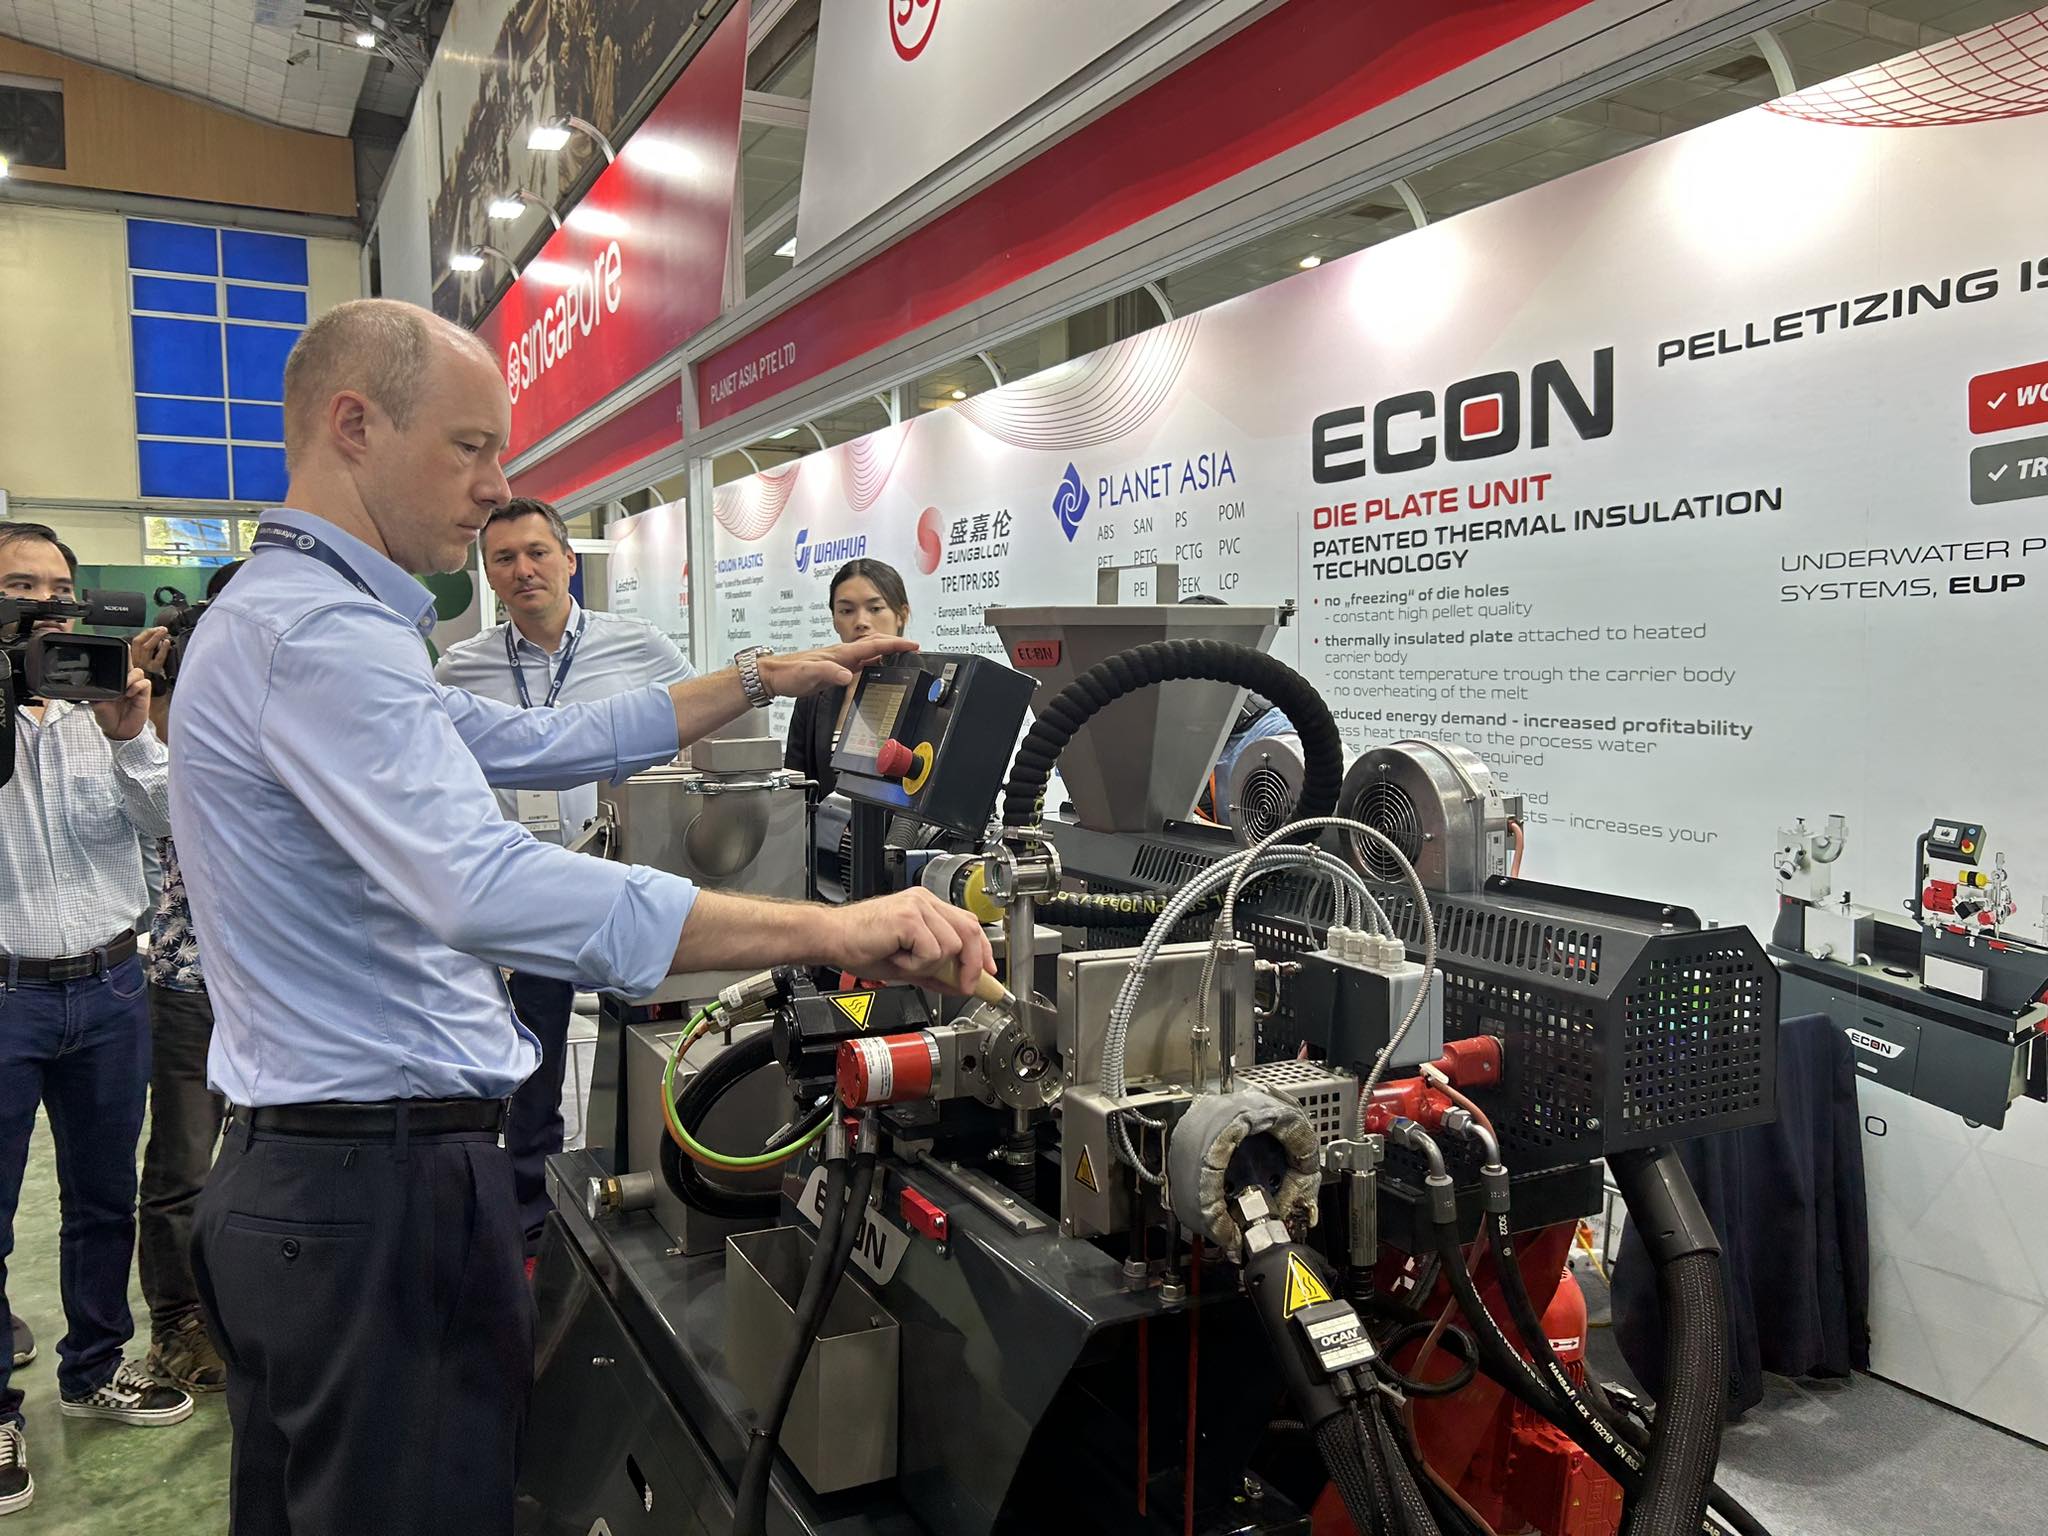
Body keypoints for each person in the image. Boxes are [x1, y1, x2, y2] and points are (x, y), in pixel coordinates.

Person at [168, 298, 993, 1536]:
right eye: (468, 447)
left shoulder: (298, 619)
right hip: (372, 1191)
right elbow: (487, 886)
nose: (492, 489)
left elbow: (547, 740)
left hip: (311, 1181)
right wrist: (834, 930)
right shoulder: (320, 636)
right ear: (353, 425)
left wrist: (762, 677)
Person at [434, 498, 692, 1258]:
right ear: (489, 575)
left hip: (624, 881)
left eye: (538, 552)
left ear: (570, 560)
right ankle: (531, 1226)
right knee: (532, 1070)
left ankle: (654, 1191)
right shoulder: (461, 669)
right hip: (527, 896)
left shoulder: (637, 646)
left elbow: (697, 731)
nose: (524, 571)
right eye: (504, 559)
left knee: (648, 1048)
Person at [0, 523, 194, 1520]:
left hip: (114, 984)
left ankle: (93, 1367)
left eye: (56, 587)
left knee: (104, 1197)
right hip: (5, 993)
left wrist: (131, 734)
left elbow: (166, 827)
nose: (45, 603)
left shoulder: (105, 698)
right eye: (19, 585)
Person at [134, 558, 244, 1396]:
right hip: (189, 983)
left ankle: (245, 1304)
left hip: (277, 985)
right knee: (183, 1168)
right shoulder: (162, 709)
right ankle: (178, 1323)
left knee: (270, 1159)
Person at [785, 557, 912, 798]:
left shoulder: (931, 690)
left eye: (875, 609)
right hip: (827, 822)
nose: (861, 622)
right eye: (847, 611)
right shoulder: (815, 692)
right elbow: (796, 786)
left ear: (901, 615)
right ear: (834, 620)